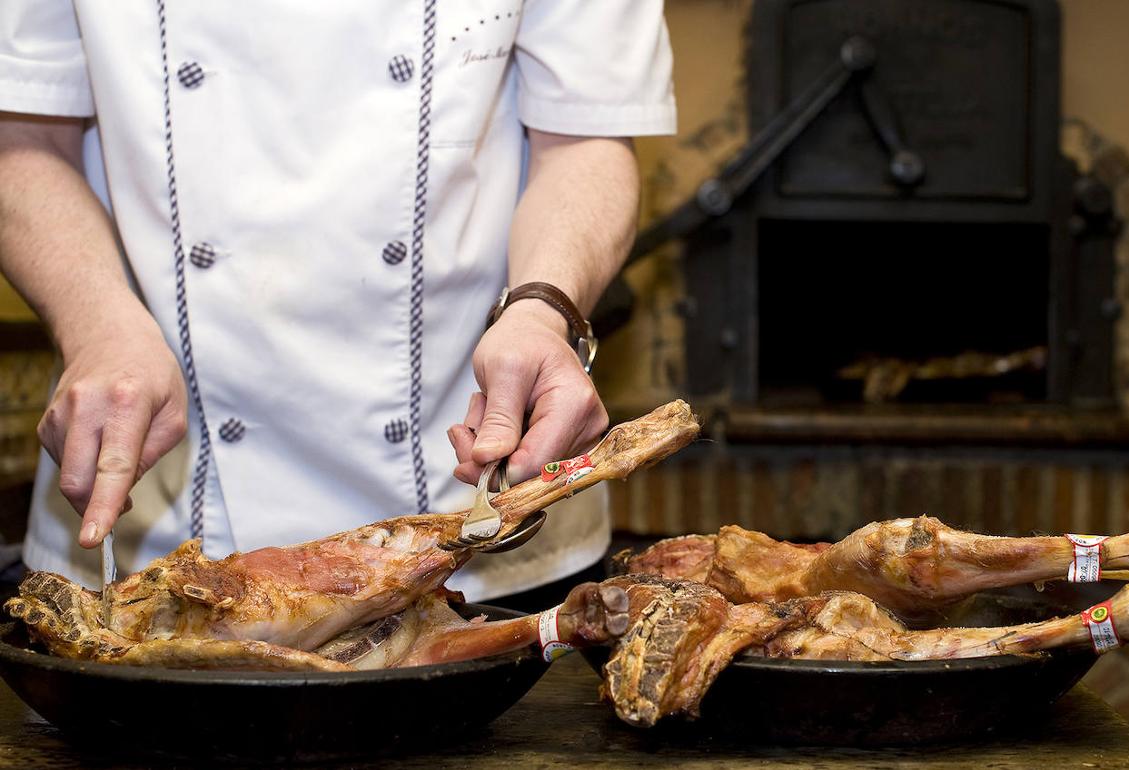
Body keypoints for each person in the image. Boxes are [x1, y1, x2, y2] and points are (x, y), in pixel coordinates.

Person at [0, 2, 676, 601]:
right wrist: (96, 326)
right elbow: (22, 136)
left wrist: (540, 309)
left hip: (480, 529)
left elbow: (586, 136)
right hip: (162, 532)